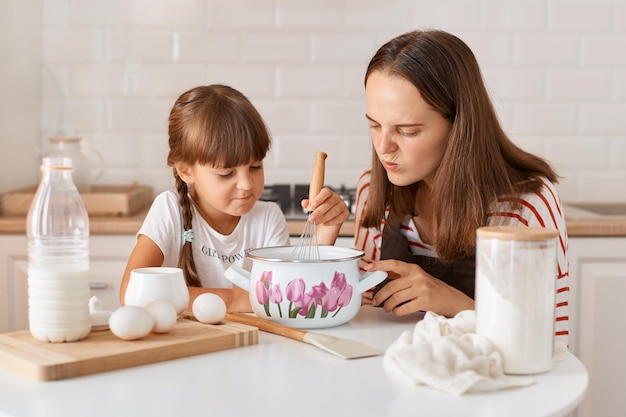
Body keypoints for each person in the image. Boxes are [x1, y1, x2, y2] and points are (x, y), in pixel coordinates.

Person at [354, 30, 569, 344]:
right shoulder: (373, 190)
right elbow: (365, 323)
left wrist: (456, 305)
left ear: (460, 126)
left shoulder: (526, 205)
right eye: (374, 124)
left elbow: (549, 343)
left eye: (408, 131)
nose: (383, 146)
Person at [120, 84, 349, 313]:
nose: (247, 184)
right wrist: (235, 300)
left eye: (255, 166)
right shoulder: (170, 211)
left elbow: (293, 294)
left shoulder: (267, 218)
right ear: (186, 171)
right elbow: (132, 293)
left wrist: (327, 231)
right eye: (226, 174)